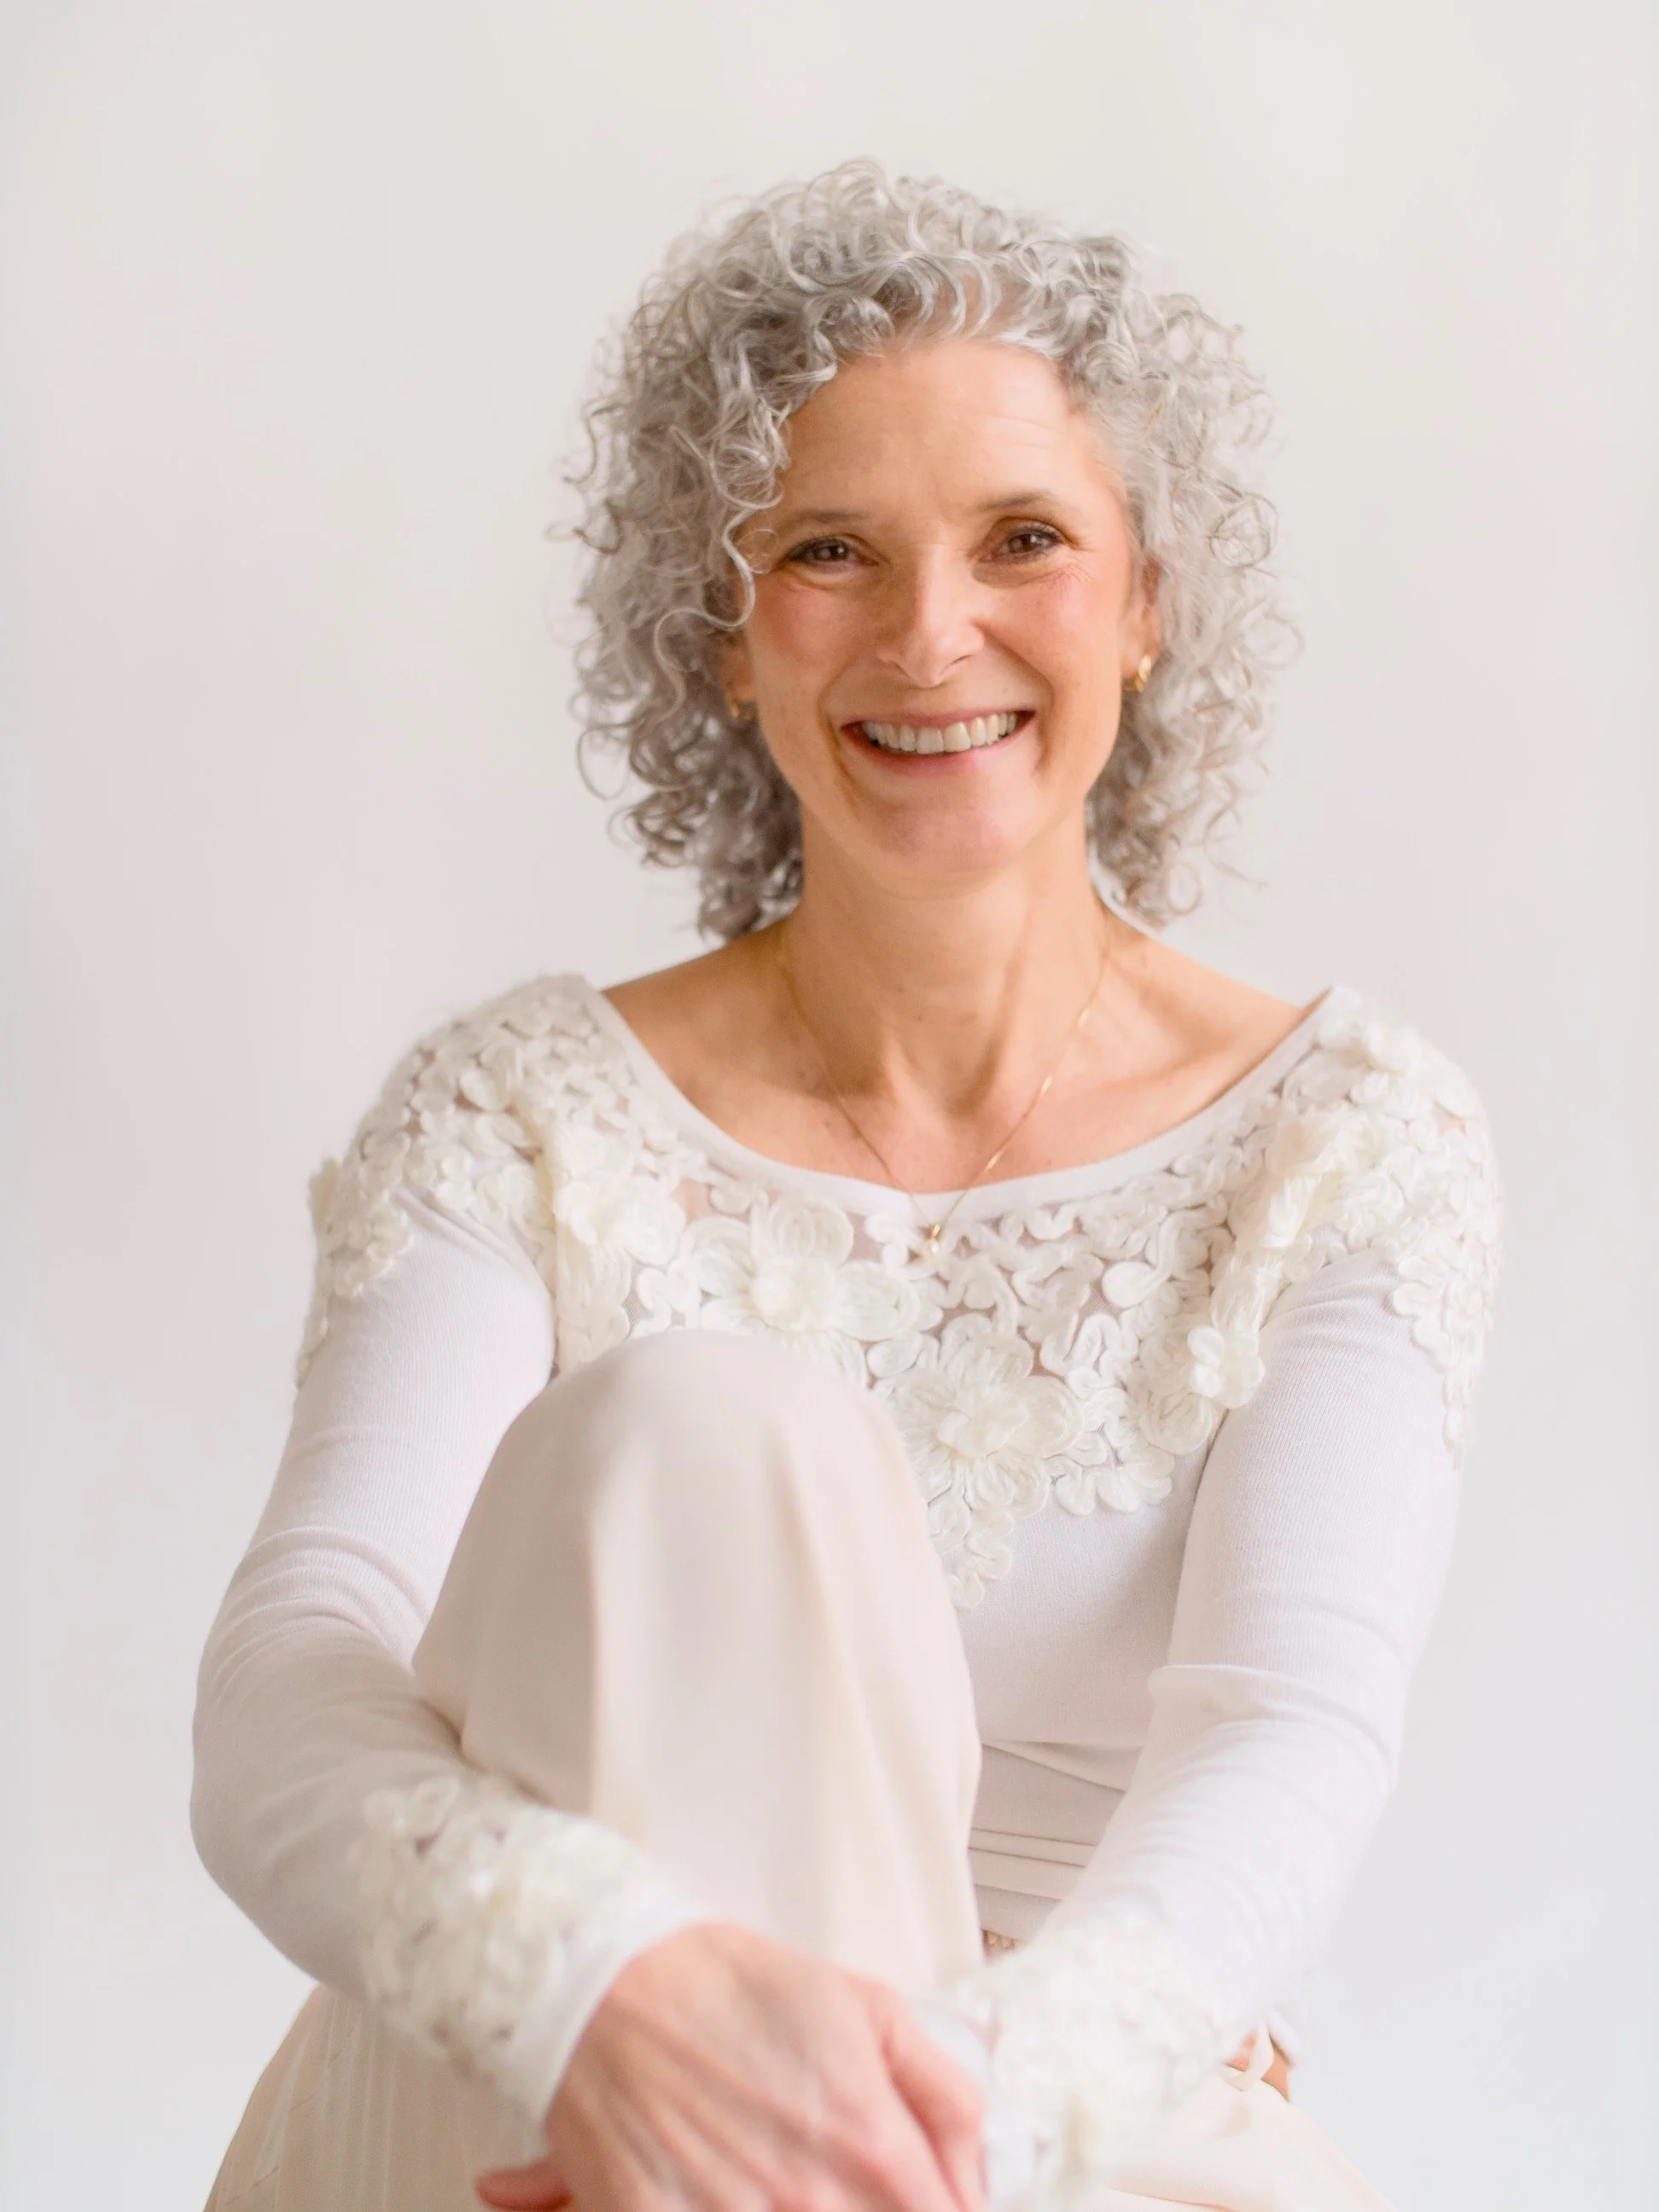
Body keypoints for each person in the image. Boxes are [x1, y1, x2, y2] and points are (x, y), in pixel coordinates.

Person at [194, 163, 1499, 2212]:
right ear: (724, 635)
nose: (930, 632)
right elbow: (294, 1674)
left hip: (1056, 2090)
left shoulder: (1342, 1141)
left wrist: (930, 2111)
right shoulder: (523, 1115)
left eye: (1026, 540)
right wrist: (612, 1995)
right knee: (711, 1429)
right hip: (543, 2066)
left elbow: (1286, 1739)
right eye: (829, 550)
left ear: (1147, 602)